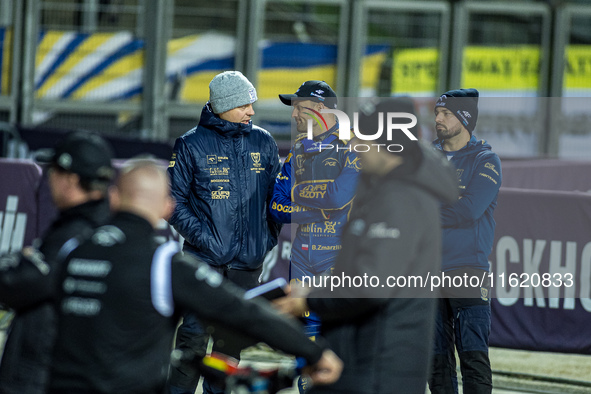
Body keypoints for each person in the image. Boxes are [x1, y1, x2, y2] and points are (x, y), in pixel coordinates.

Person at [1, 160, 343, 394]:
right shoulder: (164, 264)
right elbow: (242, 312)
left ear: (115, 198)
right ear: (167, 208)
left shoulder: (70, 250)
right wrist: (313, 352)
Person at [274, 98, 459, 393]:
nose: (355, 143)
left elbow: (371, 284)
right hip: (358, 361)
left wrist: (310, 301)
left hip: (377, 370)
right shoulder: (382, 191)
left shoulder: (402, 200)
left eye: (362, 136)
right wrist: (312, 291)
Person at [166, 71, 282, 394]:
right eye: (245, 104)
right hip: (203, 264)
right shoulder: (190, 144)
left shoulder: (264, 142)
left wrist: (265, 238)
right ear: (225, 105)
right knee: (192, 341)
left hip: (247, 267)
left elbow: (278, 199)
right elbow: (172, 202)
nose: (252, 111)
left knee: (230, 350)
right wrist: (205, 240)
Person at [0, 131, 114, 394]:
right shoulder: (103, 229)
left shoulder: (72, 236)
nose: (49, 177)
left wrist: (18, 263)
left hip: (41, 374)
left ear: (70, 180)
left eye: (54, 170)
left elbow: (17, 284)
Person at [271, 80, 360, 392]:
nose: (294, 113)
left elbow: (339, 197)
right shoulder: (298, 151)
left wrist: (299, 193)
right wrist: (319, 210)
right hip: (302, 260)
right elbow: (277, 207)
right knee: (304, 349)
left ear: (321, 108)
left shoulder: (353, 147)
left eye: (299, 106)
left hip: (338, 259)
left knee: (338, 343)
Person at [428, 88, 502, 394]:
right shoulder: (425, 156)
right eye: (437, 113)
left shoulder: (486, 160)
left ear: (465, 119)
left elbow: (470, 209)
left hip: (467, 270)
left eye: (446, 114)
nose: (438, 119)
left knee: (473, 357)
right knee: (435, 362)